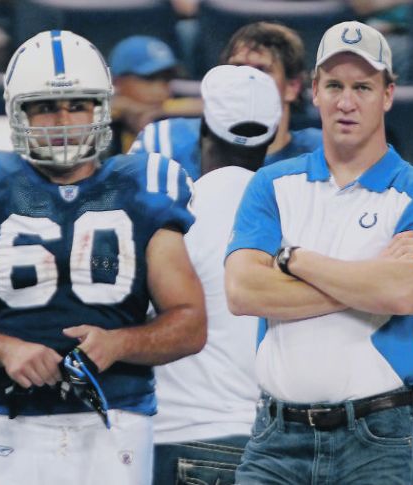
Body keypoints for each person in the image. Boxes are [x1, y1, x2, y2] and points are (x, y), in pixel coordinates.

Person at [0, 30, 207, 485]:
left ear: (102, 107)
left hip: (116, 421)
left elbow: (190, 323)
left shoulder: (144, 183)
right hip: (5, 419)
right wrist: (4, 349)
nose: (63, 119)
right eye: (45, 106)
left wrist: (121, 342)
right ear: (17, 110)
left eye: (77, 104)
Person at [224, 20, 413, 484]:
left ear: (388, 94)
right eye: (334, 85)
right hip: (275, 436)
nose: (346, 102)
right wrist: (371, 280)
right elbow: (244, 291)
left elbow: (406, 295)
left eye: (363, 87)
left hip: (376, 440)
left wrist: (293, 261)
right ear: (314, 91)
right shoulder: (271, 184)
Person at [152, 64, 282, 485]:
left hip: (184, 435)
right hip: (274, 447)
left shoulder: (175, 211)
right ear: (274, 136)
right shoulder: (295, 216)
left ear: (204, 127)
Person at [128, 21, 322, 180]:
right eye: (237, 67)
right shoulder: (167, 141)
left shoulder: (320, 154)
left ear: (292, 87)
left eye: (261, 70)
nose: (244, 79)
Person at [107, 35, 203, 155]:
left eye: (166, 79)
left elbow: (211, 107)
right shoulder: (101, 115)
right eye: (149, 78)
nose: (160, 90)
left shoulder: (170, 111)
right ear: (118, 81)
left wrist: (161, 112)